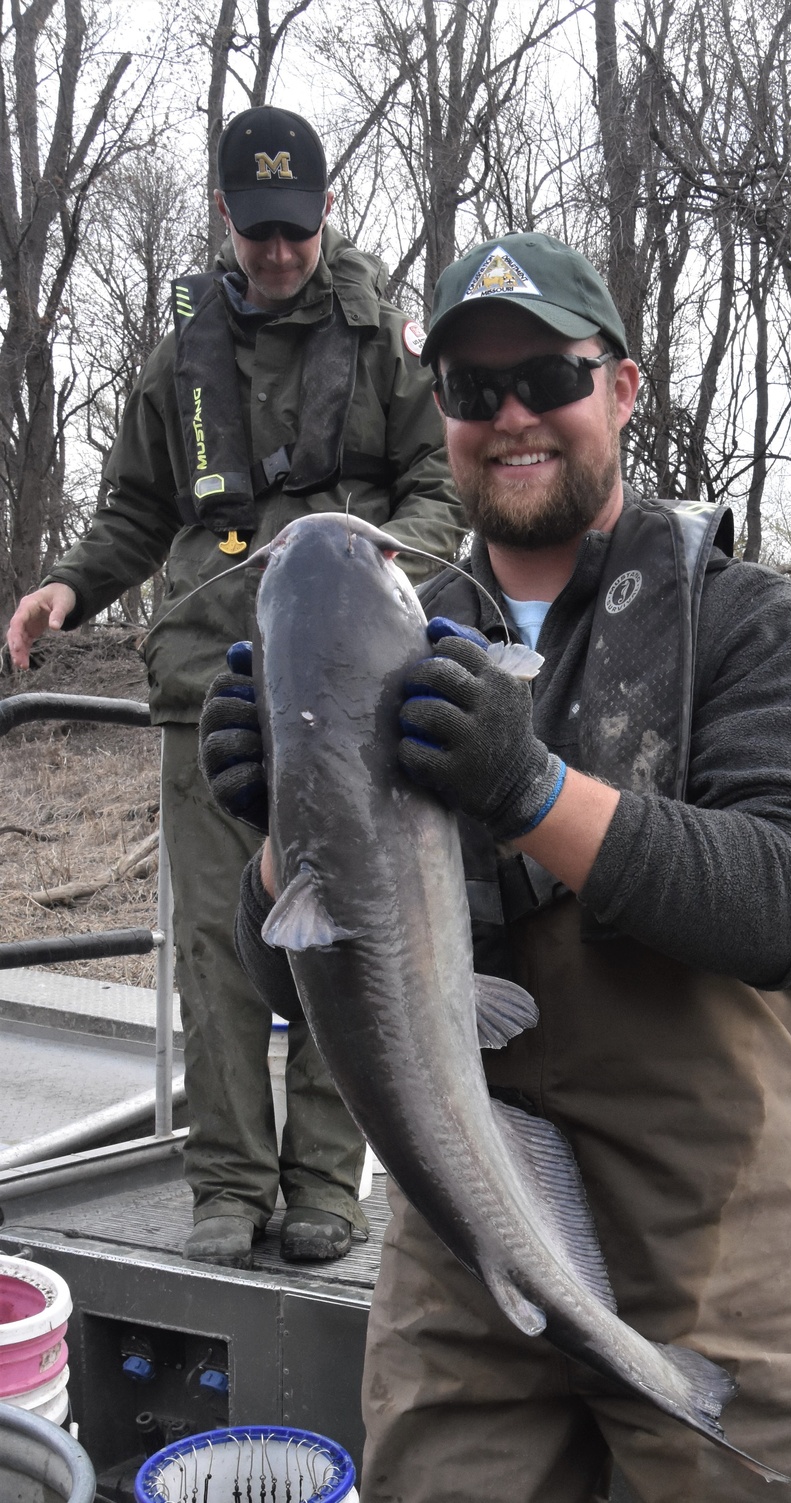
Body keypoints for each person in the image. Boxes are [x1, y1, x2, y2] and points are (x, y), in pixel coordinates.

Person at [218, 232, 791, 1498]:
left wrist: (526, 790)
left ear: (621, 389)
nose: (510, 416)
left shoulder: (749, 623)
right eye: (472, 390)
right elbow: (299, 987)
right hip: (458, 1250)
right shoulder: (387, 636)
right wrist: (279, 833)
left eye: (548, 379)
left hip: (728, 1247)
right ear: (442, 415)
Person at [4, 106, 464, 1272]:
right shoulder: (182, 351)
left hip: (349, 679)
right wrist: (66, 587)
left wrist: (386, 558)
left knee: (343, 924)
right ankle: (227, 1181)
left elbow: (438, 486)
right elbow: (133, 512)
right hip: (212, 672)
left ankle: (322, 1177)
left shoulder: (383, 342)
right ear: (226, 217)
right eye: (258, 233)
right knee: (218, 938)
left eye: (296, 232)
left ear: (324, 214)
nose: (278, 253)